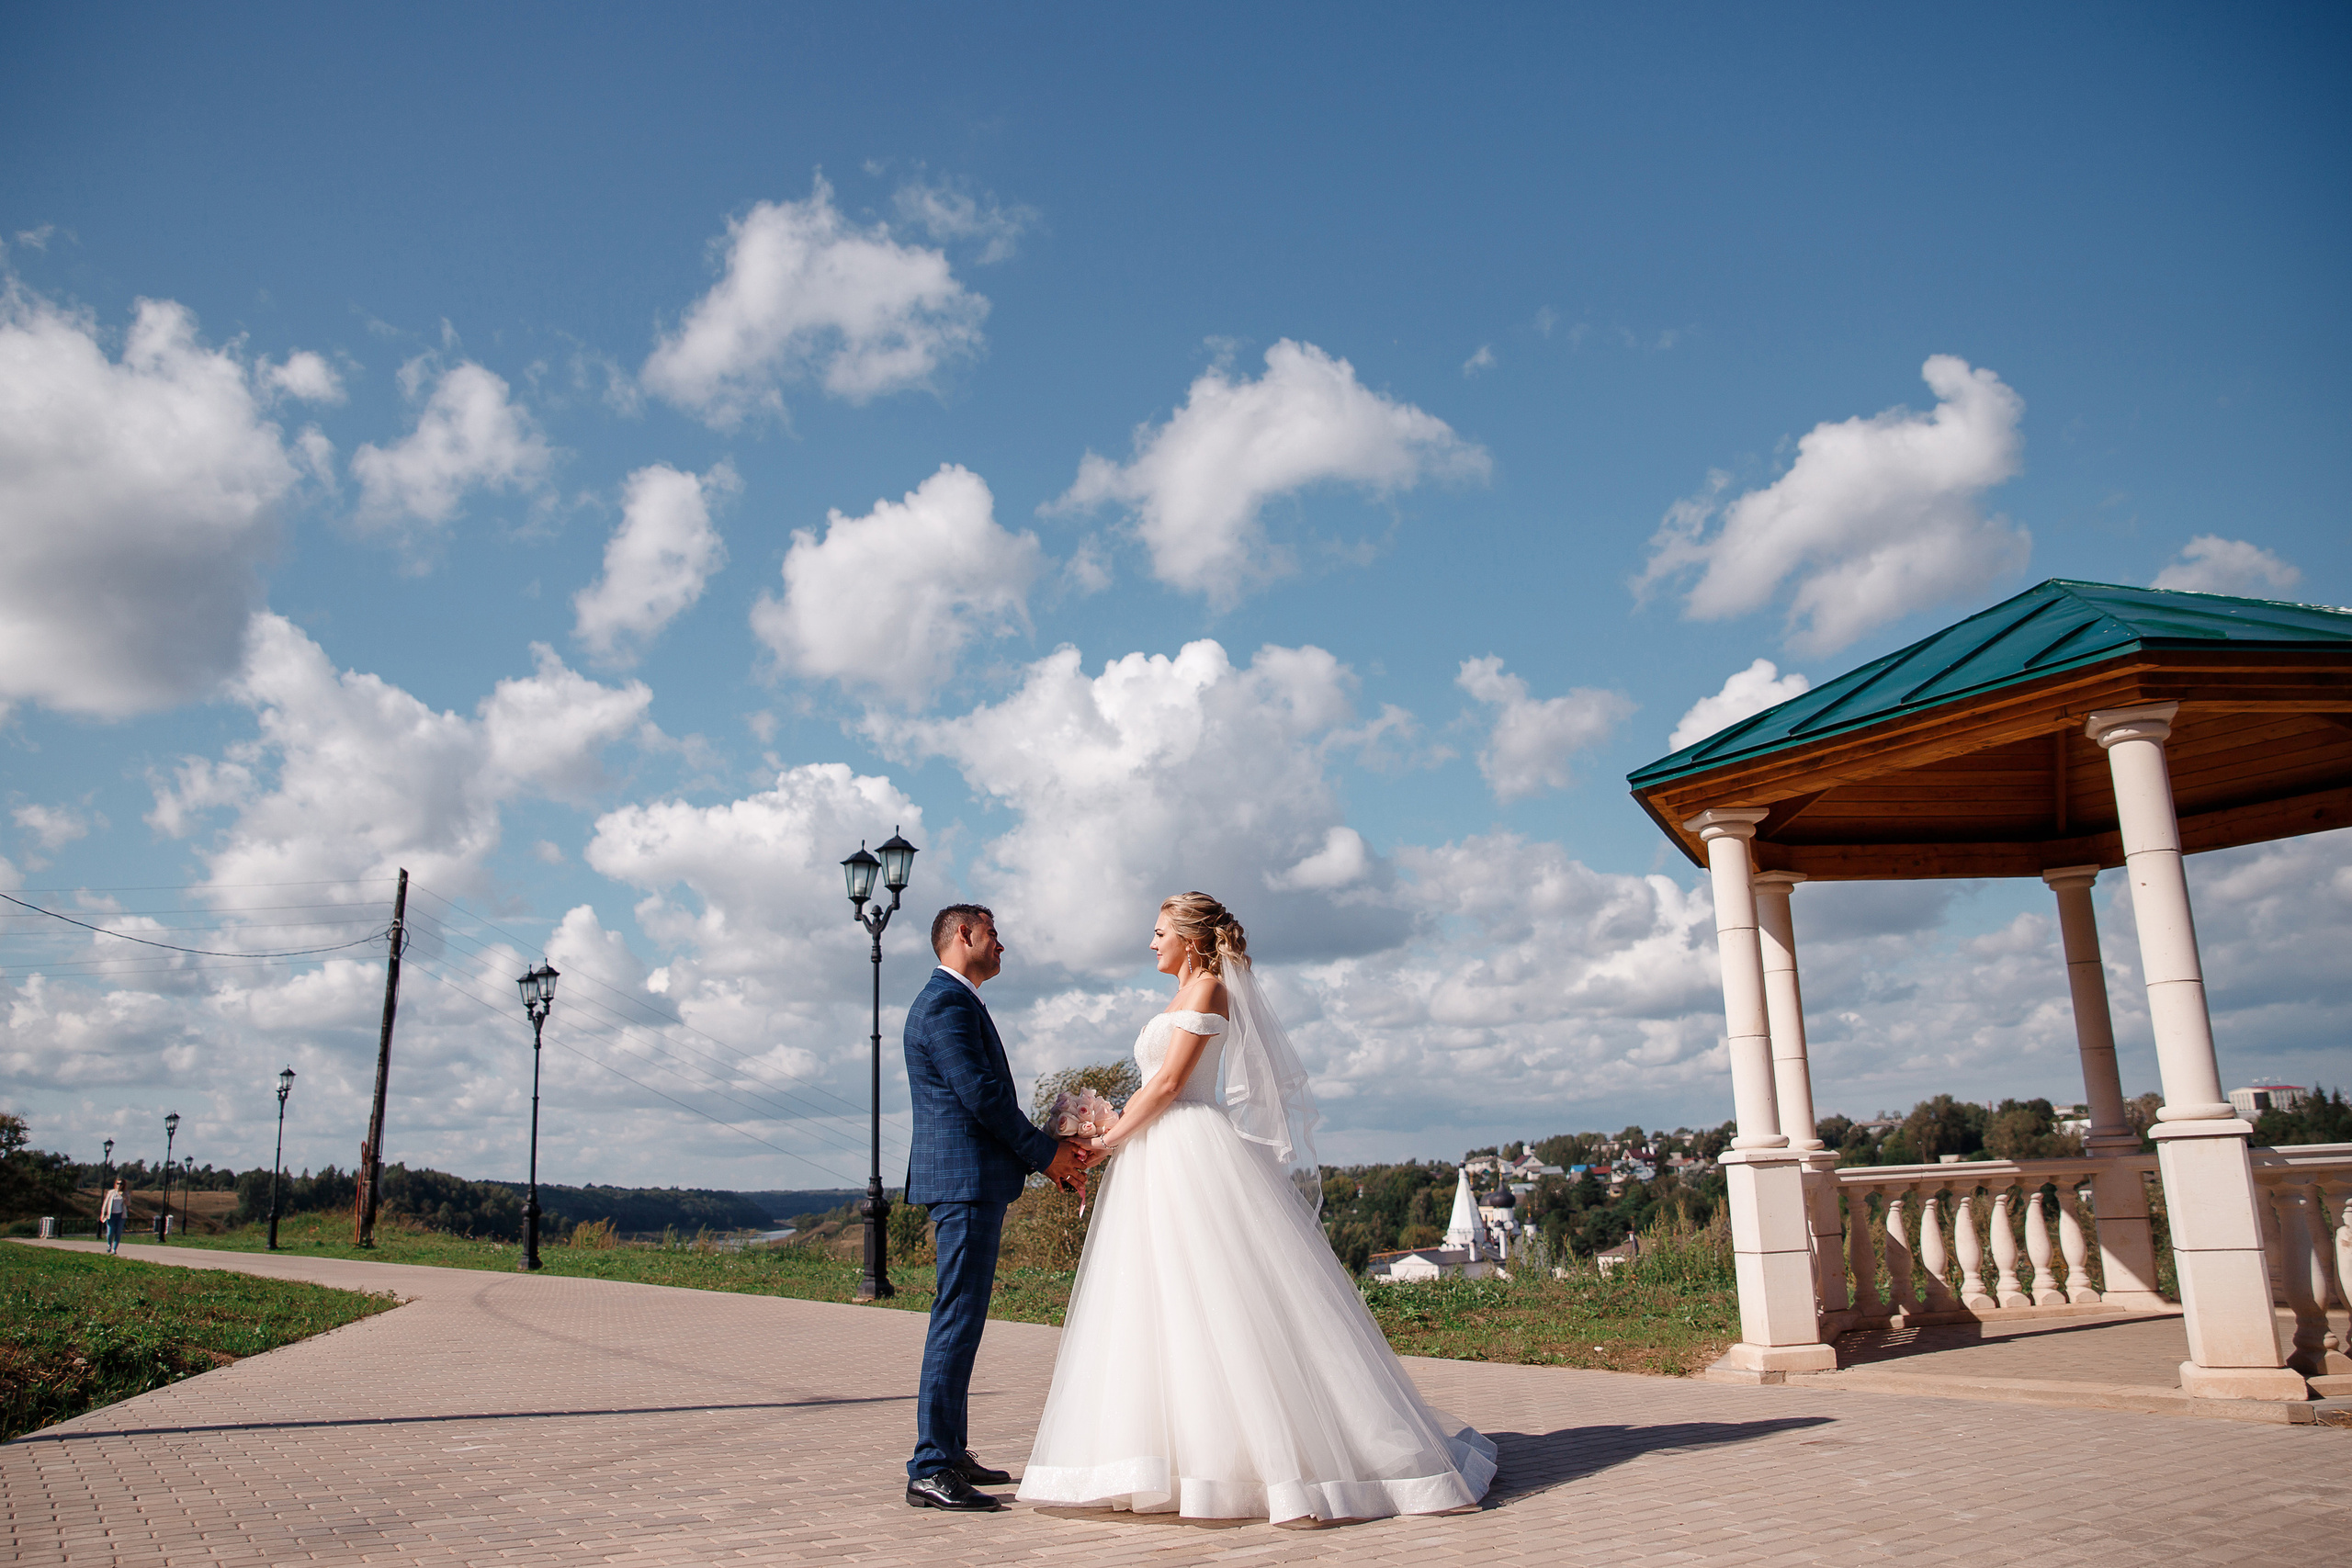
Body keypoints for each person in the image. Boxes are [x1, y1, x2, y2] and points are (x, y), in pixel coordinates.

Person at [1016, 893, 1496, 1525]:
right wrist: (1104, 1136)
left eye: (1160, 932)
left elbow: (1167, 1084)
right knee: (1159, 1301)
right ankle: (1167, 1458)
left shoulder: (1210, 989)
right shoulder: (1181, 994)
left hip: (1190, 1145)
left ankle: (1265, 1463)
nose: (1151, 942)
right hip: (1157, 1153)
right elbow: (1154, 1085)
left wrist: (1104, 1140)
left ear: (1191, 938)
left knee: (1221, 1296)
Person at [902, 904, 1099, 1514]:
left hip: (973, 1181)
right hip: (963, 1183)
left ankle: (951, 1450)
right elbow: (980, 1095)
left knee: (965, 1319)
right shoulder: (943, 1004)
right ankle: (930, 1465)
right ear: (964, 935)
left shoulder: (960, 1002)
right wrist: (1048, 1155)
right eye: (994, 933)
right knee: (956, 1319)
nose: (1002, 944)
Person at [99, 1179, 128, 1253]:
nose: (119, 1185)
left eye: (121, 1184)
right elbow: (105, 1203)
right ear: (115, 1184)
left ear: (123, 1185)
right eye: (118, 1183)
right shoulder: (111, 1192)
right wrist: (103, 1213)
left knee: (118, 1232)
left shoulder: (125, 1193)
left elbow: (128, 1204)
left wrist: (125, 1198)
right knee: (110, 1232)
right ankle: (109, 1245)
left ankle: (114, 1249)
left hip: (121, 1216)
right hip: (111, 1215)